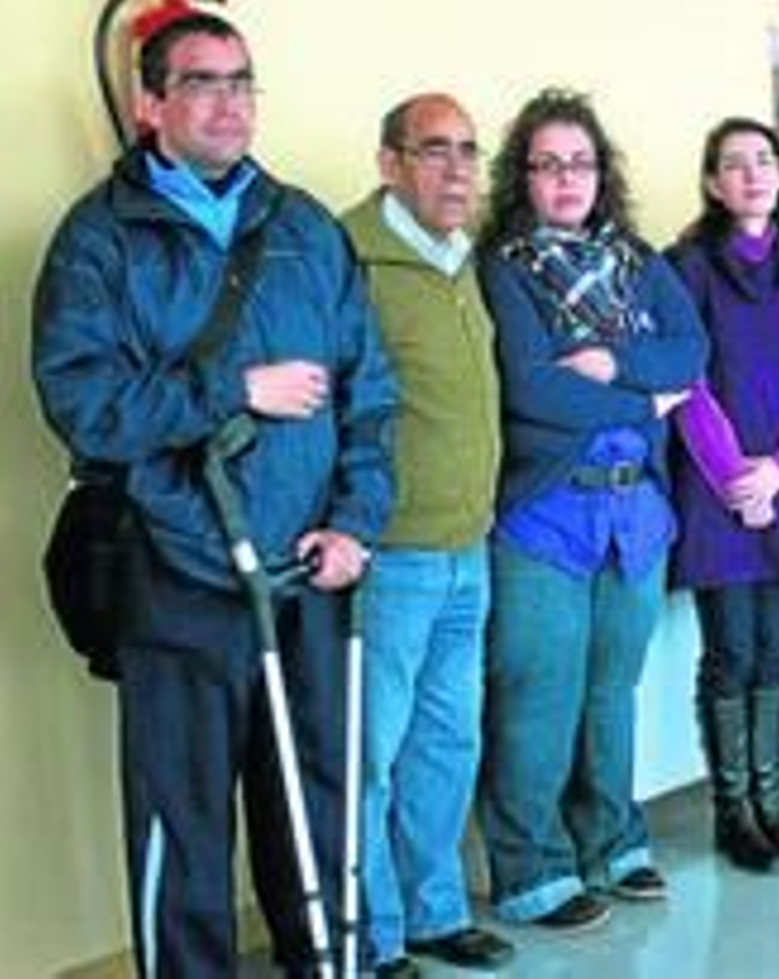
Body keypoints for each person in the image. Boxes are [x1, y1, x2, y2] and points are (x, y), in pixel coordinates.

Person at [31, 12, 397, 975]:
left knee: (319, 815)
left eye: (242, 82)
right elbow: (85, 404)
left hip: (308, 576)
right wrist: (232, 390)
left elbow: (369, 394)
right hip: (176, 576)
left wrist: (354, 524)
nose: (230, 103)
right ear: (150, 103)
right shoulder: (99, 240)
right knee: (182, 833)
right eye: (202, 82)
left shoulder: (304, 227)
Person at [474, 87, 707, 932]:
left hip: (636, 518)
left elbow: (691, 352)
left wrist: (613, 363)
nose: (567, 179)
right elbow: (532, 391)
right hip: (543, 518)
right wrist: (646, 402)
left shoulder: (639, 261)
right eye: (548, 165)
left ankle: (611, 840)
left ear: (602, 173)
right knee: (538, 696)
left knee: (611, 693)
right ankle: (530, 867)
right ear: (523, 178)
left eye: (581, 163)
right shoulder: (501, 267)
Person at [341, 94, 513, 976]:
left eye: (468, 152)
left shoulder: (466, 259)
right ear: (390, 163)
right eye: (434, 150)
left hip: (468, 549)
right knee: (370, 753)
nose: (457, 170)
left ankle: (436, 911)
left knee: (447, 746)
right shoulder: (350, 258)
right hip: (390, 556)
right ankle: (372, 935)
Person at [665, 117, 779, 871]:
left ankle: (771, 804)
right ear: (712, 182)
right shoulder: (688, 267)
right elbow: (688, 383)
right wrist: (738, 475)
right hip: (719, 488)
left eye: (765, 160)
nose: (754, 174)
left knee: (772, 650)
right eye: (734, 164)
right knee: (729, 651)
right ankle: (732, 812)